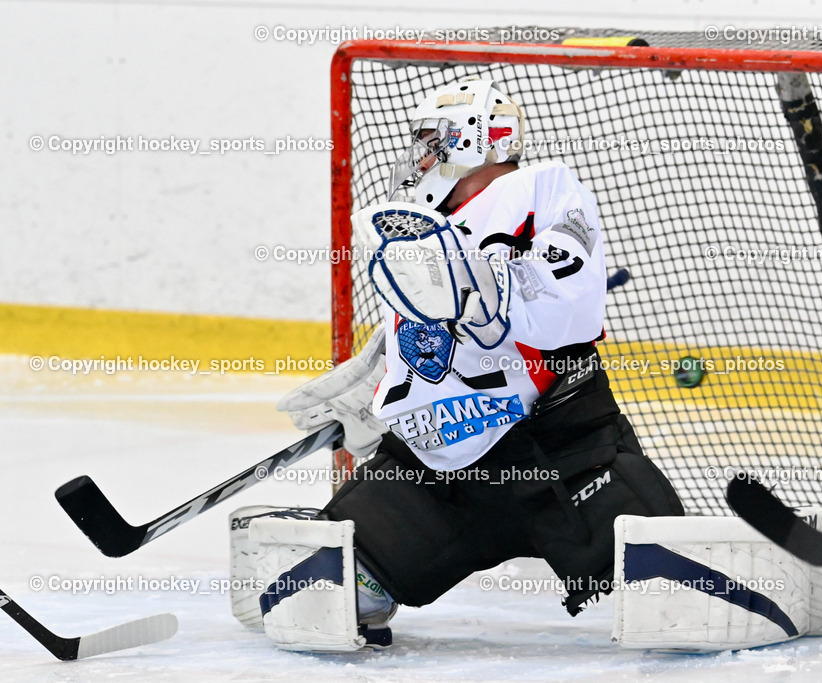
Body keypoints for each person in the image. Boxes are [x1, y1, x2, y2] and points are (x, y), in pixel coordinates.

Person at [264, 78, 685, 651]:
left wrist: (478, 286)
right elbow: (435, 347)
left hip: (559, 461)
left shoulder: (544, 191)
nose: (421, 153)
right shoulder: (424, 230)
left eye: (431, 137)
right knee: (314, 595)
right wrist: (387, 393)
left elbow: (570, 312)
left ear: (478, 140)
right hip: (438, 472)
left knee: (681, 582)